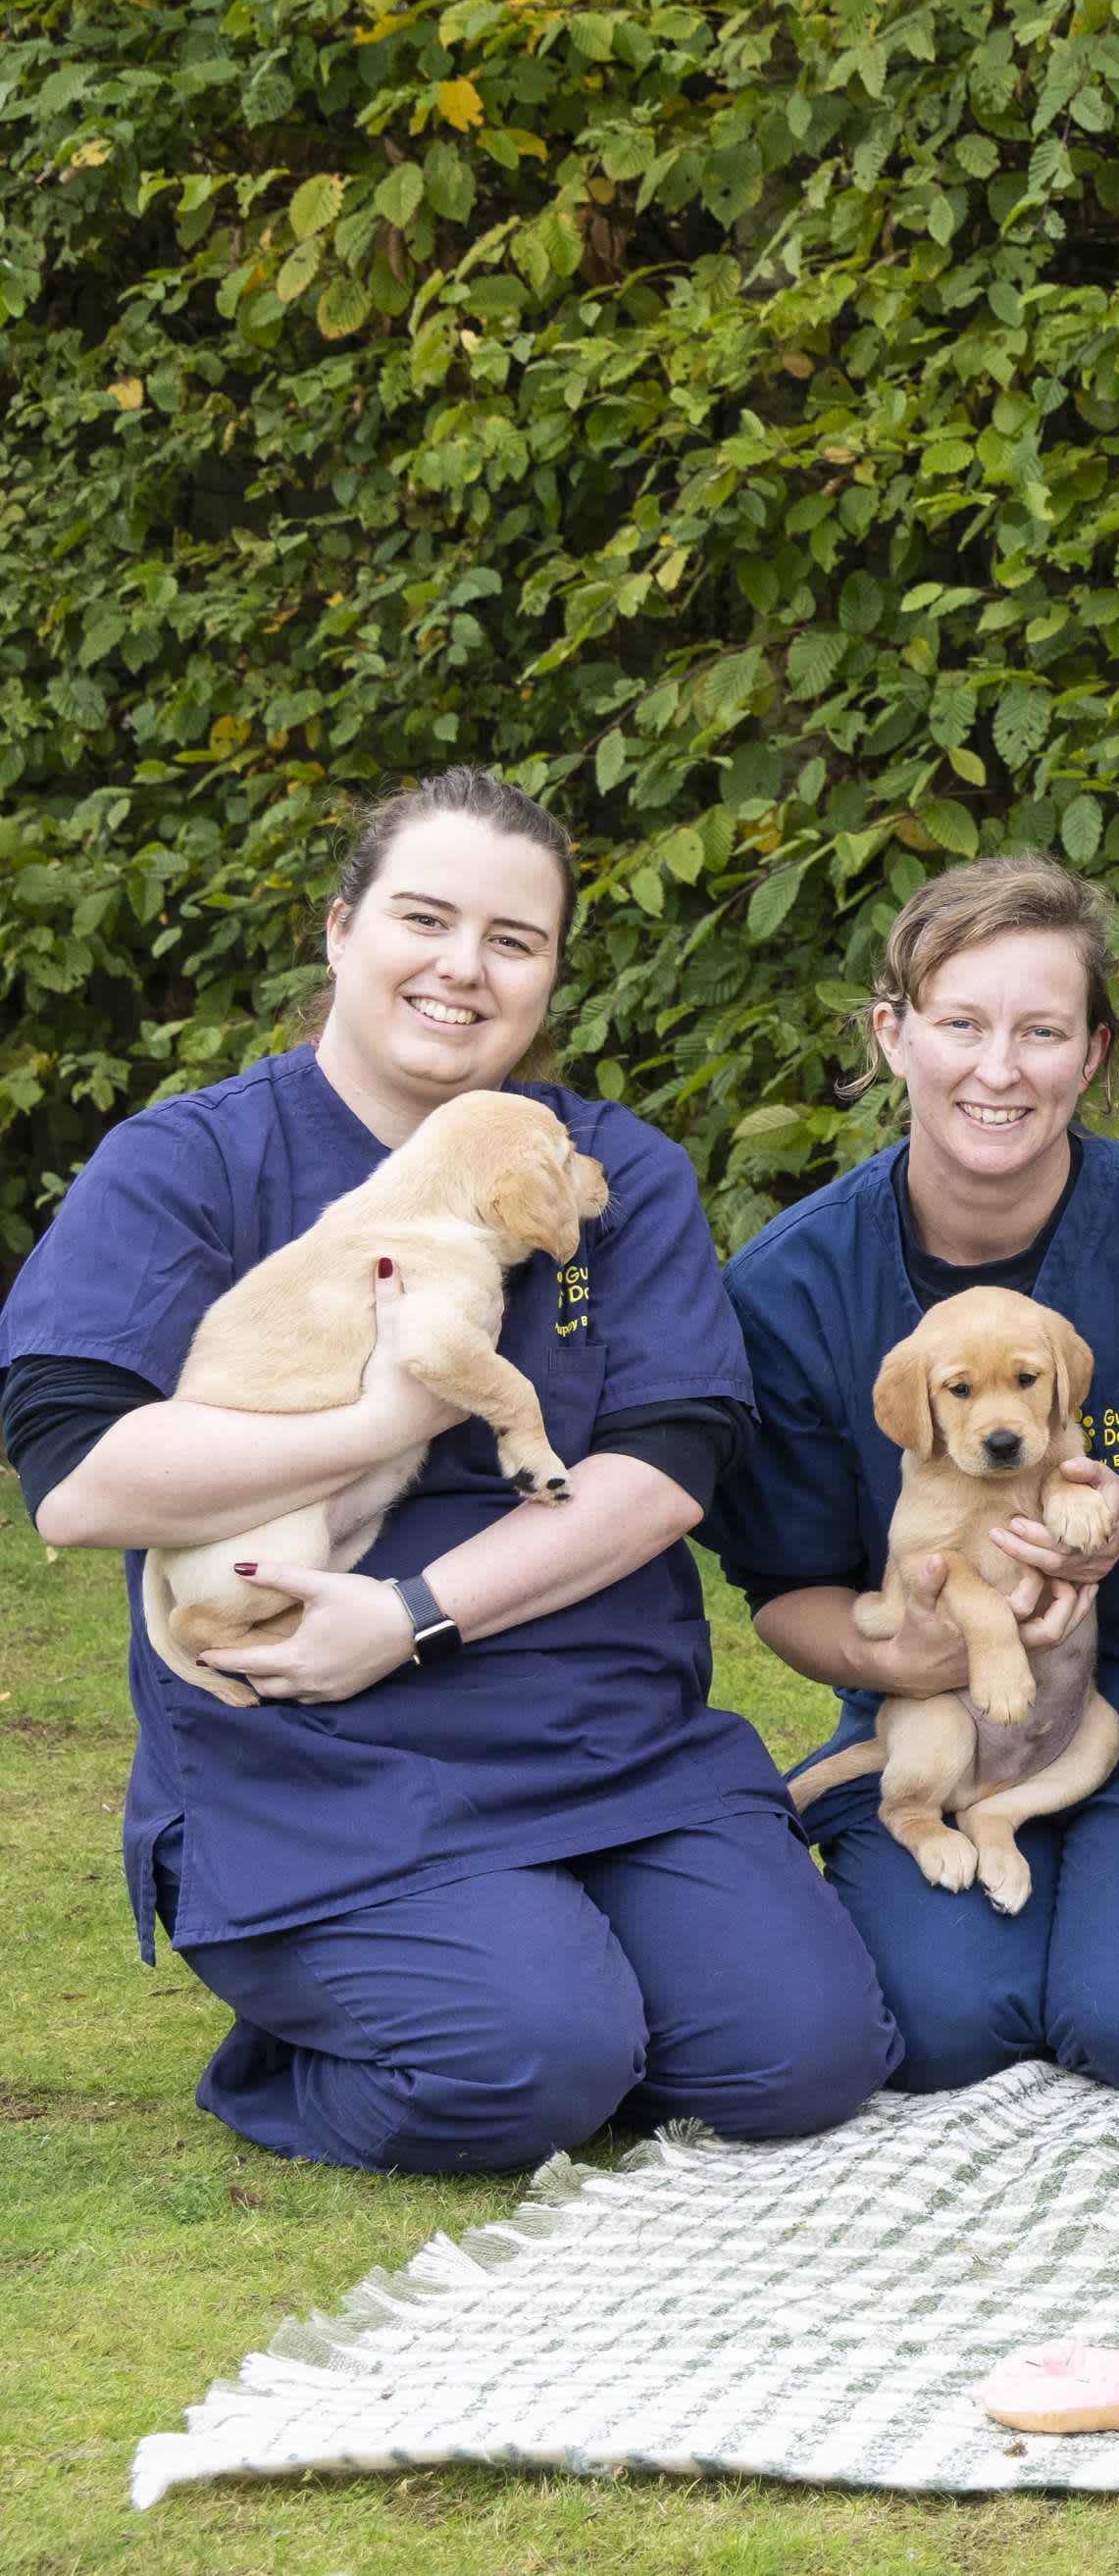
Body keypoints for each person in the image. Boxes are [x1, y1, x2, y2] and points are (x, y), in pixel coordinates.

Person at [1, 770, 890, 2172]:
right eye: (425, 918)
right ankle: (315, 2066)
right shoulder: (189, 1163)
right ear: (342, 929)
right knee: (534, 2060)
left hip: (604, 1734)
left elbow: (668, 1468)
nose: (463, 969)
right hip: (318, 1755)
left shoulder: (609, 1170)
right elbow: (81, 1484)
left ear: (551, 977)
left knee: (802, 2061)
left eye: (514, 939)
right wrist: (372, 1426)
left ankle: (561, 1967)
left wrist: (417, 1610)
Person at [714, 856, 1119, 2096]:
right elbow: (782, 1587)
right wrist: (891, 1659)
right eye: (960, 1024)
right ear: (892, 1034)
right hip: (935, 1715)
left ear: (1092, 1053)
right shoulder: (790, 1290)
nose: (997, 1070)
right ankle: (927, 1852)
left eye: (1041, 1031)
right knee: (947, 2028)